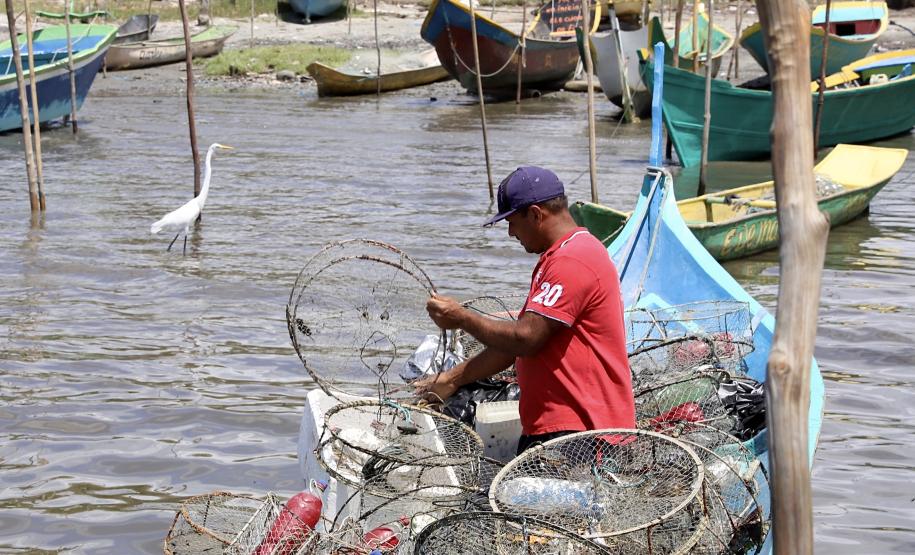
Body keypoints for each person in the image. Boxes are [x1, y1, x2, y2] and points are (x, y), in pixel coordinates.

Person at [415, 166, 635, 455]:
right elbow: (513, 346)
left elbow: (525, 338)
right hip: (556, 430)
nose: (509, 233)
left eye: (512, 222)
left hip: (583, 432)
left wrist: (462, 318)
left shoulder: (574, 260)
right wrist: (451, 379)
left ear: (535, 214)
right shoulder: (558, 258)